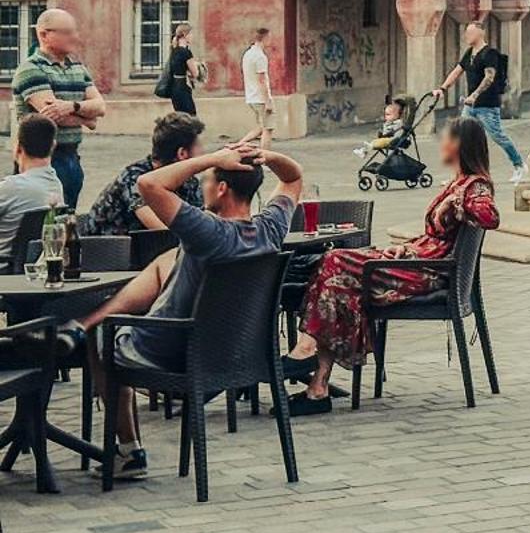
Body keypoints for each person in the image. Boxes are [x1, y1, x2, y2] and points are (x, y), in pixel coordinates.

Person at [70, 138, 303, 478]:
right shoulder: (270, 230)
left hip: (173, 353)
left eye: (207, 180)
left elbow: (148, 183)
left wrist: (212, 157)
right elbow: (293, 178)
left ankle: (128, 449)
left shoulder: (205, 230)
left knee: (104, 336)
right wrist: (264, 156)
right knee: (166, 263)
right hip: (236, 355)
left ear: (221, 188)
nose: (201, 186)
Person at [284, 118, 501, 412]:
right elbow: (436, 236)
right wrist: (407, 246)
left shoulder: (474, 186)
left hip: (424, 273)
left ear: (460, 145)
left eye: (446, 138)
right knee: (334, 281)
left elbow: (489, 216)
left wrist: (457, 203)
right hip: (415, 261)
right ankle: (317, 385)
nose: (441, 143)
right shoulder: (458, 182)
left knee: (334, 262)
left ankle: (308, 356)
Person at [10, 7, 105, 207]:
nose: (74, 37)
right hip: (41, 159)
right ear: (44, 34)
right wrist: (87, 117)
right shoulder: (31, 69)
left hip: (71, 156)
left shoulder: (78, 67)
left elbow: (100, 108)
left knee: (67, 219)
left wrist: (71, 105)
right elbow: (53, 117)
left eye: (74, 31)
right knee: (43, 222)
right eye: (67, 32)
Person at [79, 112, 206, 237]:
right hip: (105, 253)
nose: (203, 151)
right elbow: (162, 231)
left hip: (143, 251)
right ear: (182, 153)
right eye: (198, 146)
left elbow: (203, 222)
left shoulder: (189, 183)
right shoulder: (134, 178)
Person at [431, 19, 526, 182]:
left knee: (498, 136)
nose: (467, 35)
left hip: (487, 106)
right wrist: (442, 88)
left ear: (480, 33)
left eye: (470, 32)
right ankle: (460, 175)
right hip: (470, 107)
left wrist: (474, 95)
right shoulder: (469, 53)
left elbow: (489, 77)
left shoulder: (490, 53)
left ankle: (519, 165)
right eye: (466, 32)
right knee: (461, 138)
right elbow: (457, 71)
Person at [0, 114, 64, 245]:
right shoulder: (56, 186)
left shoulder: (11, 188)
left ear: (18, 147)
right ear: (53, 146)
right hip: (34, 261)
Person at [241, 26, 274, 148]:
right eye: (269, 37)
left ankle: (239, 144)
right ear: (264, 38)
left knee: (260, 127)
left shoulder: (248, 54)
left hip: (251, 96)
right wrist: (268, 101)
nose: (271, 40)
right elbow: (262, 80)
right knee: (268, 129)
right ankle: (264, 157)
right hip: (260, 98)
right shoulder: (260, 57)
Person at [161, 23, 203, 115]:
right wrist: (199, 67)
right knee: (191, 116)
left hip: (174, 88)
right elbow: (195, 73)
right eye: (191, 34)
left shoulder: (174, 51)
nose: (192, 37)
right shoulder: (186, 52)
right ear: (185, 35)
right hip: (183, 87)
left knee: (181, 117)